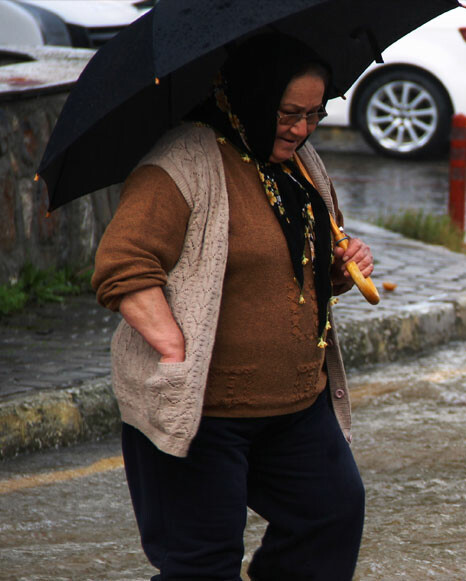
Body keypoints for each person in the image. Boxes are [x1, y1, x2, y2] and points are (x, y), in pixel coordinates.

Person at [91, 34, 372, 580]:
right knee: (202, 564)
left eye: (315, 113)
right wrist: (175, 348)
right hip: (204, 413)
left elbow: (298, 264)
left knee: (331, 516)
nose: (302, 128)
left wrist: (338, 269)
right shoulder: (185, 160)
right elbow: (122, 266)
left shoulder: (301, 163)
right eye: (289, 113)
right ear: (251, 94)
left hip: (295, 408)